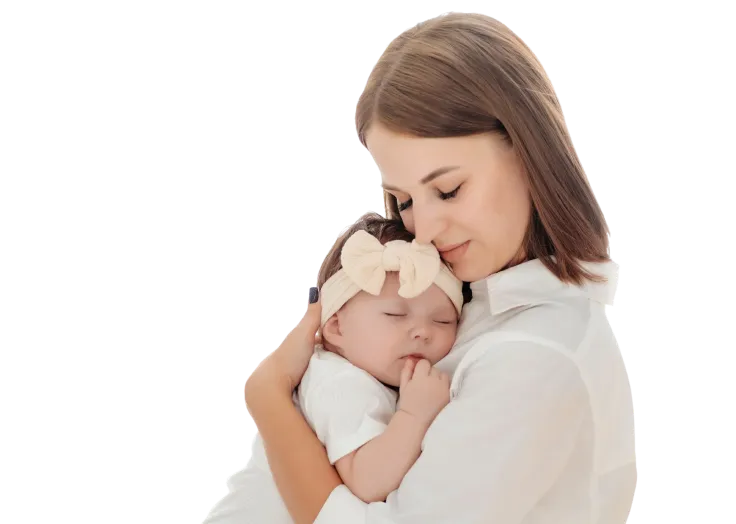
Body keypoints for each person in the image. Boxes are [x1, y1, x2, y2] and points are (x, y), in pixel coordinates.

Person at [241, 11, 636, 524]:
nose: (423, 230)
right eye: (404, 200)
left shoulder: (533, 354)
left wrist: (271, 401)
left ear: (527, 153)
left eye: (448, 190)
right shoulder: (473, 304)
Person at [205, 215, 466, 523]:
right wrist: (415, 415)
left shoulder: (362, 374)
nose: (422, 331)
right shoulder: (341, 382)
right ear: (336, 327)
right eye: (395, 315)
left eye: (442, 320)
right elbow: (367, 481)